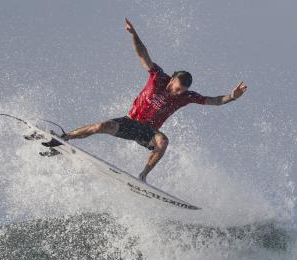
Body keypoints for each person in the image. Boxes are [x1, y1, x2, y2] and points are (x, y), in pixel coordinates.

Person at [55, 18, 248, 182]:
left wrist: (232, 97)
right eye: (177, 88)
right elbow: (142, 53)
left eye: (182, 91)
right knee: (101, 126)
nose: (178, 93)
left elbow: (213, 101)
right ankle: (65, 138)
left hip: (147, 131)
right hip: (130, 122)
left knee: (163, 142)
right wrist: (134, 35)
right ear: (172, 79)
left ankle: (143, 176)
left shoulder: (186, 97)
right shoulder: (158, 76)